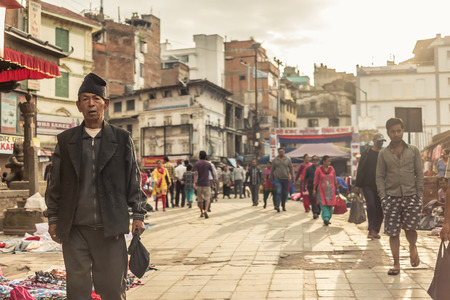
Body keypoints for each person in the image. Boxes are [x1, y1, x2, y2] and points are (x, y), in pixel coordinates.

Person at [45, 73, 147, 299]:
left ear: (106, 104)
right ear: (78, 106)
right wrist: (52, 219)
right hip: (74, 230)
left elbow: (133, 179)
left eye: (96, 98)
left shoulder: (121, 139)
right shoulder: (66, 141)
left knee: (112, 289)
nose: (91, 103)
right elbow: (55, 185)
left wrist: (138, 214)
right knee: (77, 290)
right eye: (85, 99)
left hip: (109, 229)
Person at [376, 117, 423, 276]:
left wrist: (419, 196)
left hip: (411, 196)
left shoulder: (414, 150)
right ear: (388, 133)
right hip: (391, 197)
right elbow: (379, 176)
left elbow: (419, 174)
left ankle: (412, 246)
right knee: (393, 232)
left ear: (402, 131)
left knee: (410, 229)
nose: (396, 134)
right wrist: (383, 197)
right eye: (393, 131)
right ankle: (396, 264)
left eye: (399, 130)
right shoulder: (383, 154)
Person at [354, 133, 385, 239]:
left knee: (380, 208)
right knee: (371, 205)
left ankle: (375, 230)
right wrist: (357, 184)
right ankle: (371, 229)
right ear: (374, 141)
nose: (380, 143)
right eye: (379, 141)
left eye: (382, 141)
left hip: (380, 185)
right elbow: (361, 168)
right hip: (367, 184)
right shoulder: (366, 152)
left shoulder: (383, 154)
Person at [313, 155, 338, 226]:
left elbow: (334, 179)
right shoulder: (319, 169)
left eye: (330, 161)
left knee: (330, 205)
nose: (329, 163)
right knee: (323, 204)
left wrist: (337, 188)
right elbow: (315, 180)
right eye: (328, 161)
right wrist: (314, 190)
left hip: (331, 191)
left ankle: (328, 218)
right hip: (321, 191)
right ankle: (325, 218)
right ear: (323, 161)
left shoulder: (332, 169)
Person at [270, 147, 294, 212]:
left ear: (284, 152)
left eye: (282, 152)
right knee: (278, 192)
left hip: (286, 178)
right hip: (278, 178)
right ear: (278, 152)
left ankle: (283, 205)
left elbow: (291, 168)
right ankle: (277, 206)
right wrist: (270, 176)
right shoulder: (275, 160)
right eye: (280, 152)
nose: (281, 153)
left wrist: (292, 176)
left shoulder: (288, 159)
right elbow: (272, 169)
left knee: (284, 193)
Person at [194, 151, 216, 218]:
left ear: (199, 156)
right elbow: (213, 173)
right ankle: (206, 210)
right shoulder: (208, 164)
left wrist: (194, 183)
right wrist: (213, 180)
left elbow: (196, 173)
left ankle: (202, 212)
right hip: (207, 183)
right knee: (207, 198)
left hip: (199, 183)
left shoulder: (197, 164)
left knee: (199, 199)